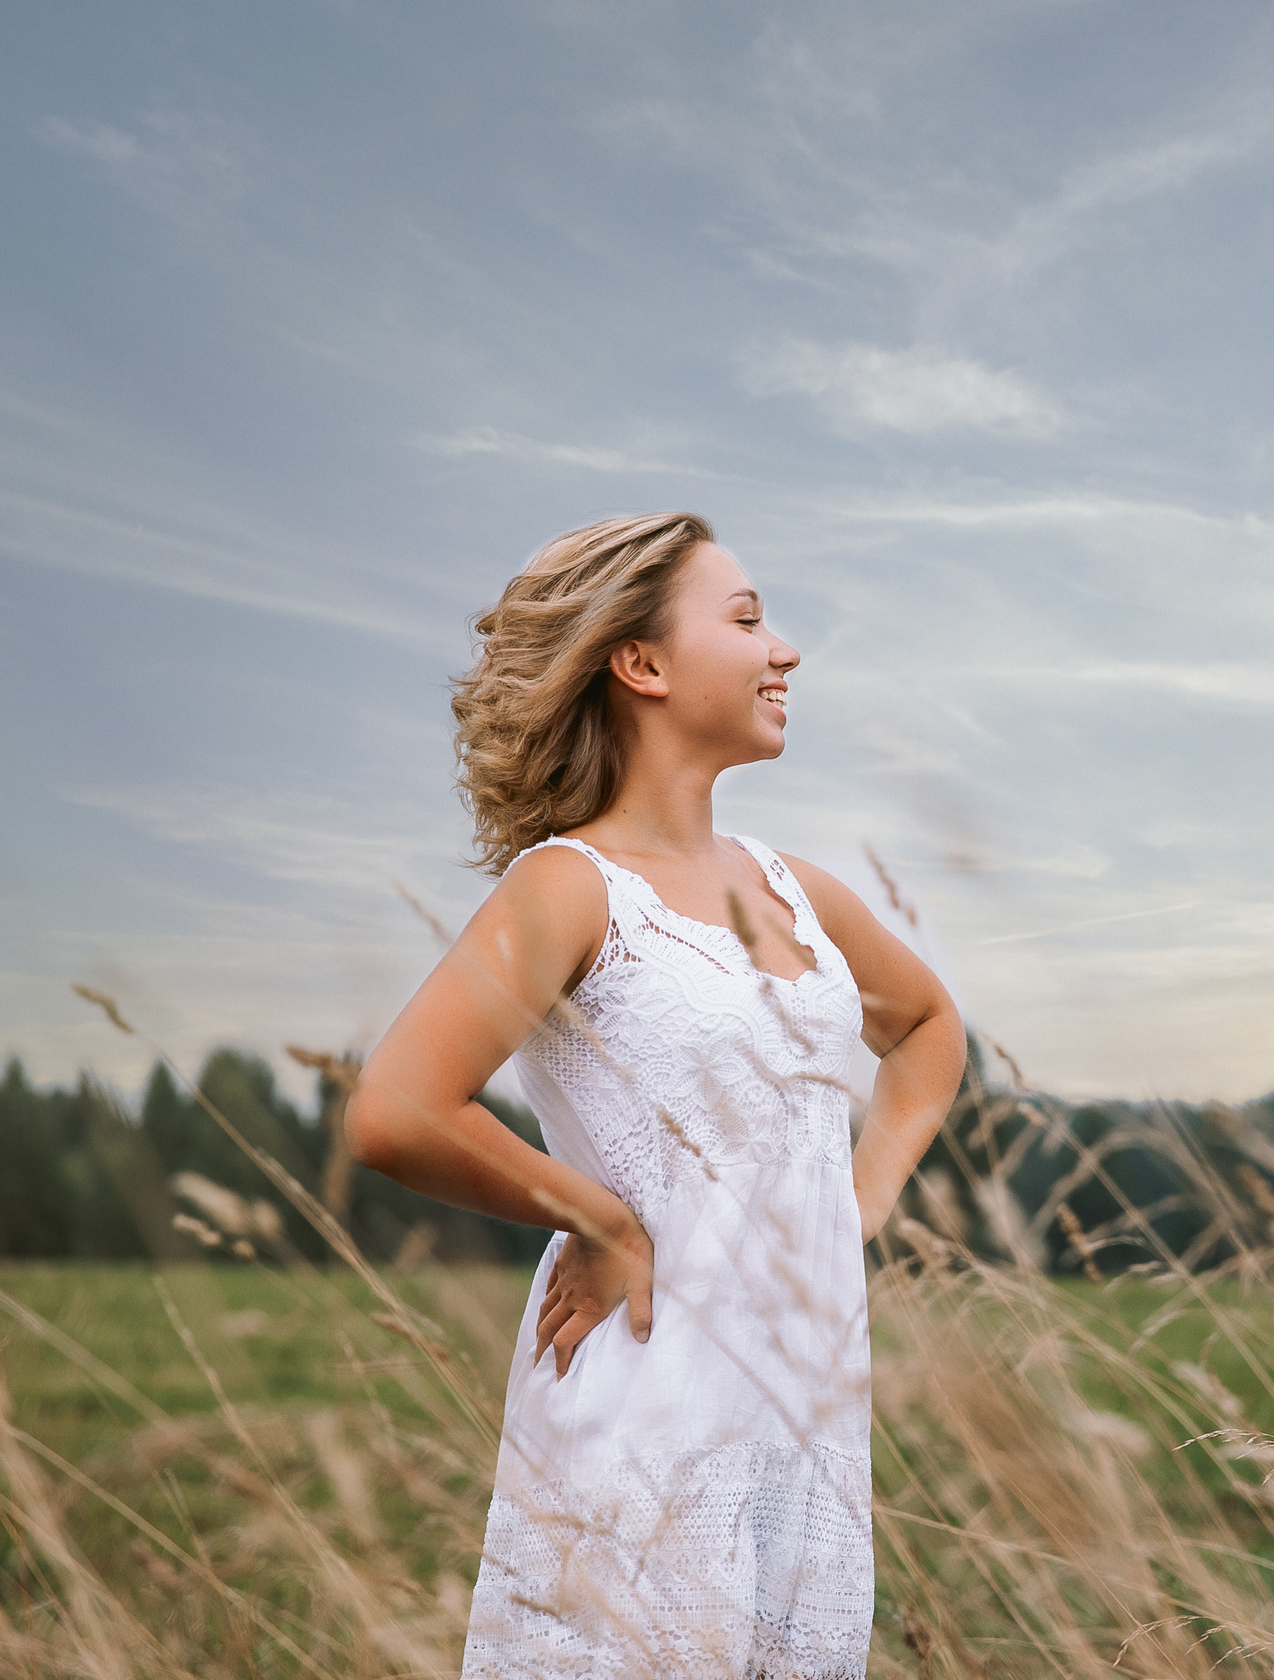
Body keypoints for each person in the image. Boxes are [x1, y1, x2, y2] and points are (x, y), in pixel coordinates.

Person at [345, 512, 965, 1678]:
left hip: (805, 1426)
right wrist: (600, 1216)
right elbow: (397, 1109)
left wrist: (856, 1199)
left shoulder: (797, 890)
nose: (784, 651)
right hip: (643, 1414)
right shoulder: (571, 890)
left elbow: (928, 1029)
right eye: (746, 620)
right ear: (642, 664)